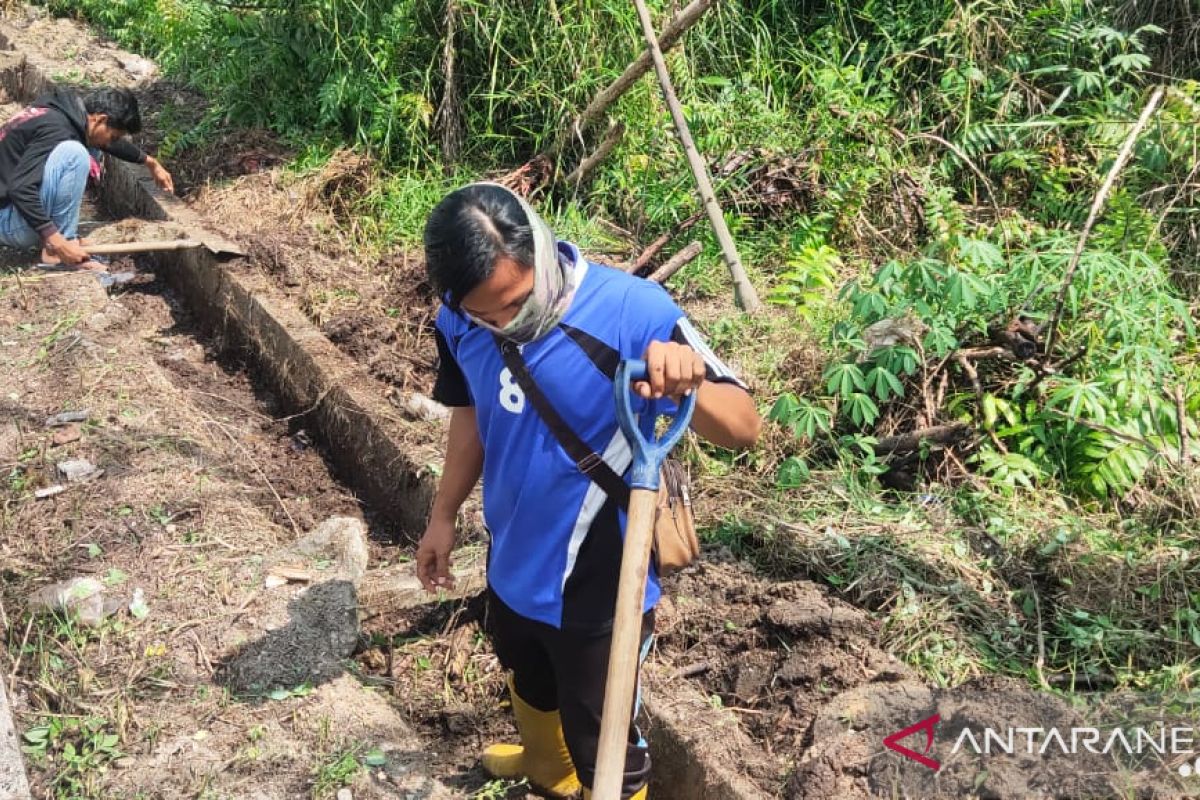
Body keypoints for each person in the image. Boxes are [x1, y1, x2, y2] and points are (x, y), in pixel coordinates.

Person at [417, 182, 761, 799]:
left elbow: (744, 426)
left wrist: (690, 384)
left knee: (605, 741)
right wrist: (443, 515)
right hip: (511, 555)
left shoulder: (633, 311)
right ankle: (547, 769)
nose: (505, 326)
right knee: (527, 674)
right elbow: (470, 411)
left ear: (542, 253)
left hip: (599, 588)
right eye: (486, 316)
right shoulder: (457, 314)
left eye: (517, 306)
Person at [0, 87, 174, 270]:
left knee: (91, 144)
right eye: (114, 136)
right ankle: (55, 253)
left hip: (8, 210)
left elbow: (105, 142)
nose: (111, 143)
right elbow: (20, 187)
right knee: (75, 154)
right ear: (100, 119)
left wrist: (150, 162)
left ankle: (63, 239)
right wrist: (58, 242)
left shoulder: (63, 112)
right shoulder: (56, 128)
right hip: (6, 222)